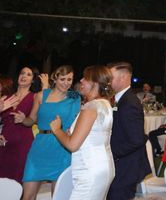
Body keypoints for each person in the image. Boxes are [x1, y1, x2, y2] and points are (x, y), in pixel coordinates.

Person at [50, 65, 115, 200]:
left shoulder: (90, 107)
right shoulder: (104, 104)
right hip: (104, 166)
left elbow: (72, 145)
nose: (81, 81)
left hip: (90, 169)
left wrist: (57, 130)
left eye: (85, 79)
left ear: (94, 83)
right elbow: (94, 135)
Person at [19, 65, 82, 200]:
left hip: (61, 148)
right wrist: (23, 120)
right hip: (39, 147)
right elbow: (32, 119)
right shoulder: (41, 95)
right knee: (27, 196)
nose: (66, 83)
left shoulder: (75, 98)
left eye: (69, 79)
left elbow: (75, 124)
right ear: (55, 78)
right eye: (63, 79)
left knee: (58, 196)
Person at [107, 61, 150, 200]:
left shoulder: (129, 103)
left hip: (126, 168)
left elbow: (136, 139)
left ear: (124, 78)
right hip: (123, 166)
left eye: (110, 78)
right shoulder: (120, 99)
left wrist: (111, 153)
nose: (107, 82)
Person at [0, 66, 40, 182]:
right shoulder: (5, 98)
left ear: (33, 80)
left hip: (22, 146)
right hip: (4, 144)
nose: (24, 76)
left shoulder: (35, 97)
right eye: (22, 73)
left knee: (17, 181)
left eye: (28, 74)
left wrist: (24, 119)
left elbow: (33, 120)